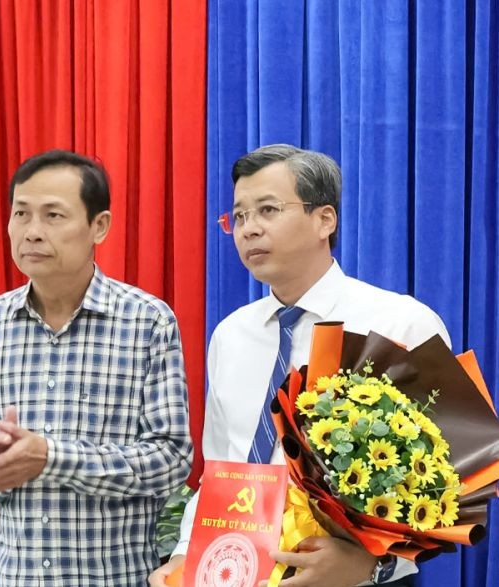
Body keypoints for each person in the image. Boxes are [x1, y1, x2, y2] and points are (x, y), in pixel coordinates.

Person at [149, 144, 448, 587]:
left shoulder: (399, 322)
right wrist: (184, 555)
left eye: (267, 209)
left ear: (324, 219)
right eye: (240, 216)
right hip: (237, 569)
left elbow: (449, 483)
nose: (249, 229)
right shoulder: (231, 335)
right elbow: (223, 466)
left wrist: (372, 566)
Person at [0, 149, 193, 586]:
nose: (33, 232)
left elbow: (171, 461)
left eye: (54, 216)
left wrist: (50, 457)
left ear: (99, 226)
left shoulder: (147, 321)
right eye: (20, 214)